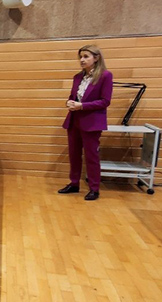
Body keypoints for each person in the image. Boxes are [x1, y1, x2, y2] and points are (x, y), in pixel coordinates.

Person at [61, 45, 113, 201]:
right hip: (74, 120)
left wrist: (82, 106)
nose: (82, 60)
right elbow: (73, 96)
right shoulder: (77, 77)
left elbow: (105, 101)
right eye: (80, 57)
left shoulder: (105, 76)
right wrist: (69, 103)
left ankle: (94, 188)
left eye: (86, 57)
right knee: (74, 155)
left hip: (92, 122)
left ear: (96, 58)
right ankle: (74, 183)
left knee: (91, 156)